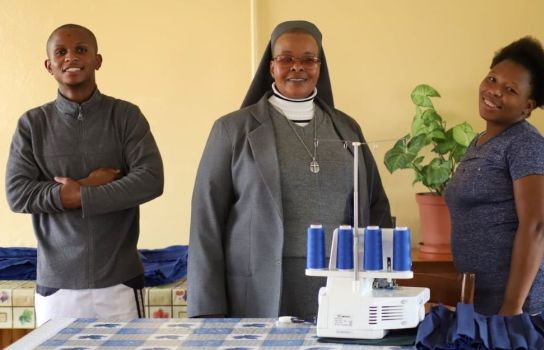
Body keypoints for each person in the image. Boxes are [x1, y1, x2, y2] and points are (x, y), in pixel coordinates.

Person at [187, 20, 392, 319]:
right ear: (271, 67)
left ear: (320, 67)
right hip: (261, 287)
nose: (297, 67)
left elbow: (376, 207)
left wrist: (382, 281)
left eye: (308, 59)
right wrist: (206, 309)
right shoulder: (232, 129)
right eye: (285, 59)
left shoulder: (347, 128)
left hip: (341, 284)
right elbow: (206, 220)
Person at [5, 24, 164, 325]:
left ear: (97, 60)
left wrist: (79, 194)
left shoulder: (126, 116)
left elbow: (150, 179)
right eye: (61, 52)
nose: (71, 58)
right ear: (48, 65)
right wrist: (87, 186)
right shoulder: (32, 124)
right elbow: (17, 193)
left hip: (120, 281)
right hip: (57, 285)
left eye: (81, 50)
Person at [445, 37, 544, 316]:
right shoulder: (480, 141)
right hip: (487, 301)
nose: (494, 91)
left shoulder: (525, 144)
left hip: (530, 306)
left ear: (527, 106)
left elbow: (535, 226)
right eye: (492, 79)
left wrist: (512, 307)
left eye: (510, 89)